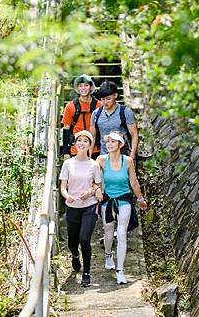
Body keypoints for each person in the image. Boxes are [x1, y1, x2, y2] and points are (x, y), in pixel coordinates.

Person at [95, 131, 148, 285]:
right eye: (107, 142)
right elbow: (94, 178)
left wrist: (140, 199)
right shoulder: (101, 160)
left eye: (113, 141)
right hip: (107, 200)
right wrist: (96, 189)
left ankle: (120, 270)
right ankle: (108, 254)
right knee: (108, 231)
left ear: (120, 144)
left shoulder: (128, 161)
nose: (109, 144)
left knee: (122, 232)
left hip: (124, 199)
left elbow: (134, 181)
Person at [59, 130, 102, 287]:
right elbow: (63, 187)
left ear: (90, 145)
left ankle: (86, 273)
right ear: (75, 144)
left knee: (85, 239)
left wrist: (90, 192)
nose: (82, 143)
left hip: (89, 206)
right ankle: (75, 256)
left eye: (85, 141)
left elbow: (97, 185)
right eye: (79, 140)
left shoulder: (94, 165)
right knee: (73, 242)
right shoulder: (68, 164)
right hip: (72, 207)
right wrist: (67, 196)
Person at [89, 81, 139, 161]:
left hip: (123, 157)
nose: (105, 102)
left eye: (108, 99)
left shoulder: (125, 112)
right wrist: (89, 158)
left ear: (115, 95)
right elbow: (92, 137)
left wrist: (132, 155)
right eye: (103, 99)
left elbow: (134, 135)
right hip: (104, 157)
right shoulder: (96, 113)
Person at [61, 74, 103, 159]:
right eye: (80, 86)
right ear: (77, 88)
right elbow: (66, 129)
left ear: (91, 87)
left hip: (95, 148)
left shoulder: (99, 105)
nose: (83, 88)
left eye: (86, 85)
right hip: (76, 148)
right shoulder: (70, 106)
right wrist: (66, 152)